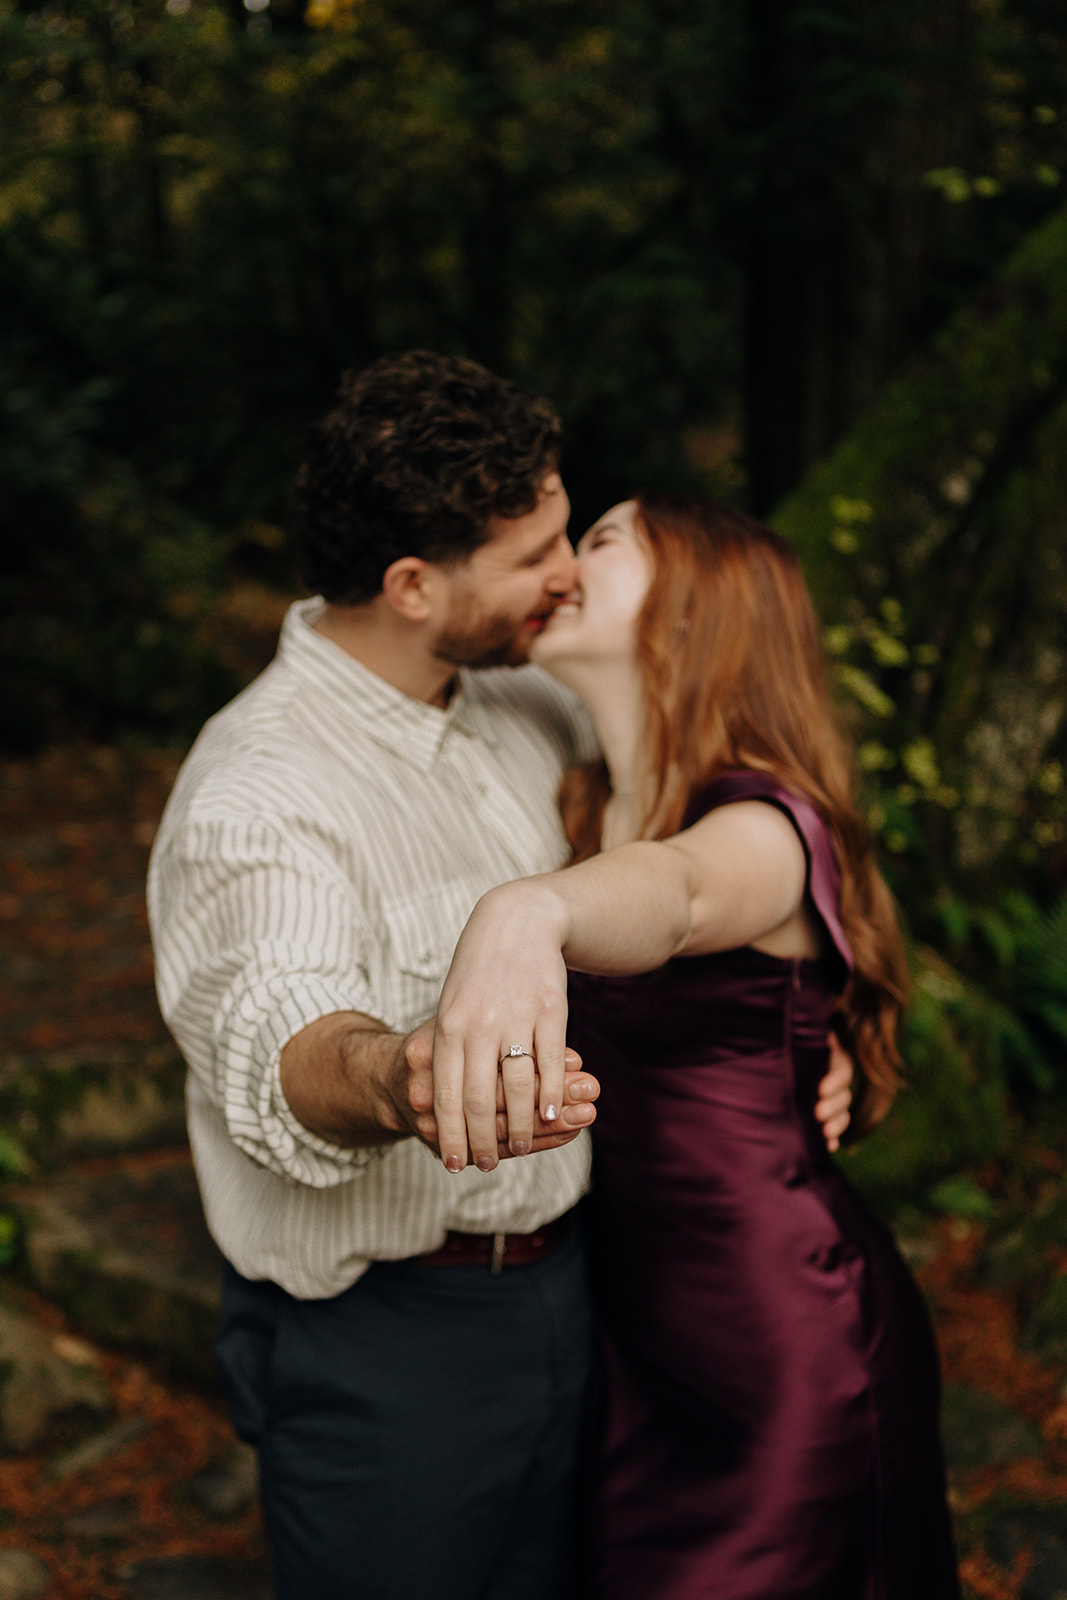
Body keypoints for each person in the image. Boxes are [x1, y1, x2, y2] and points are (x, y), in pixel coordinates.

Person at [147, 352, 852, 1600]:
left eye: (566, 531)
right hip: (385, 1347)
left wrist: (786, 1037)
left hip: (586, 1298)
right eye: (534, 555)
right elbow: (278, 1035)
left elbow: (710, 831)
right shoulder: (257, 791)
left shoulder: (527, 698)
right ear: (413, 585)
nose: (567, 572)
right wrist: (398, 1075)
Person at [426, 494, 960, 1598]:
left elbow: (673, 898)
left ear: (691, 609)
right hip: (623, 1341)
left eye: (600, 541)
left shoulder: (761, 822)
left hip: (782, 1342)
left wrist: (527, 914)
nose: (563, 567)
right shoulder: (582, 797)